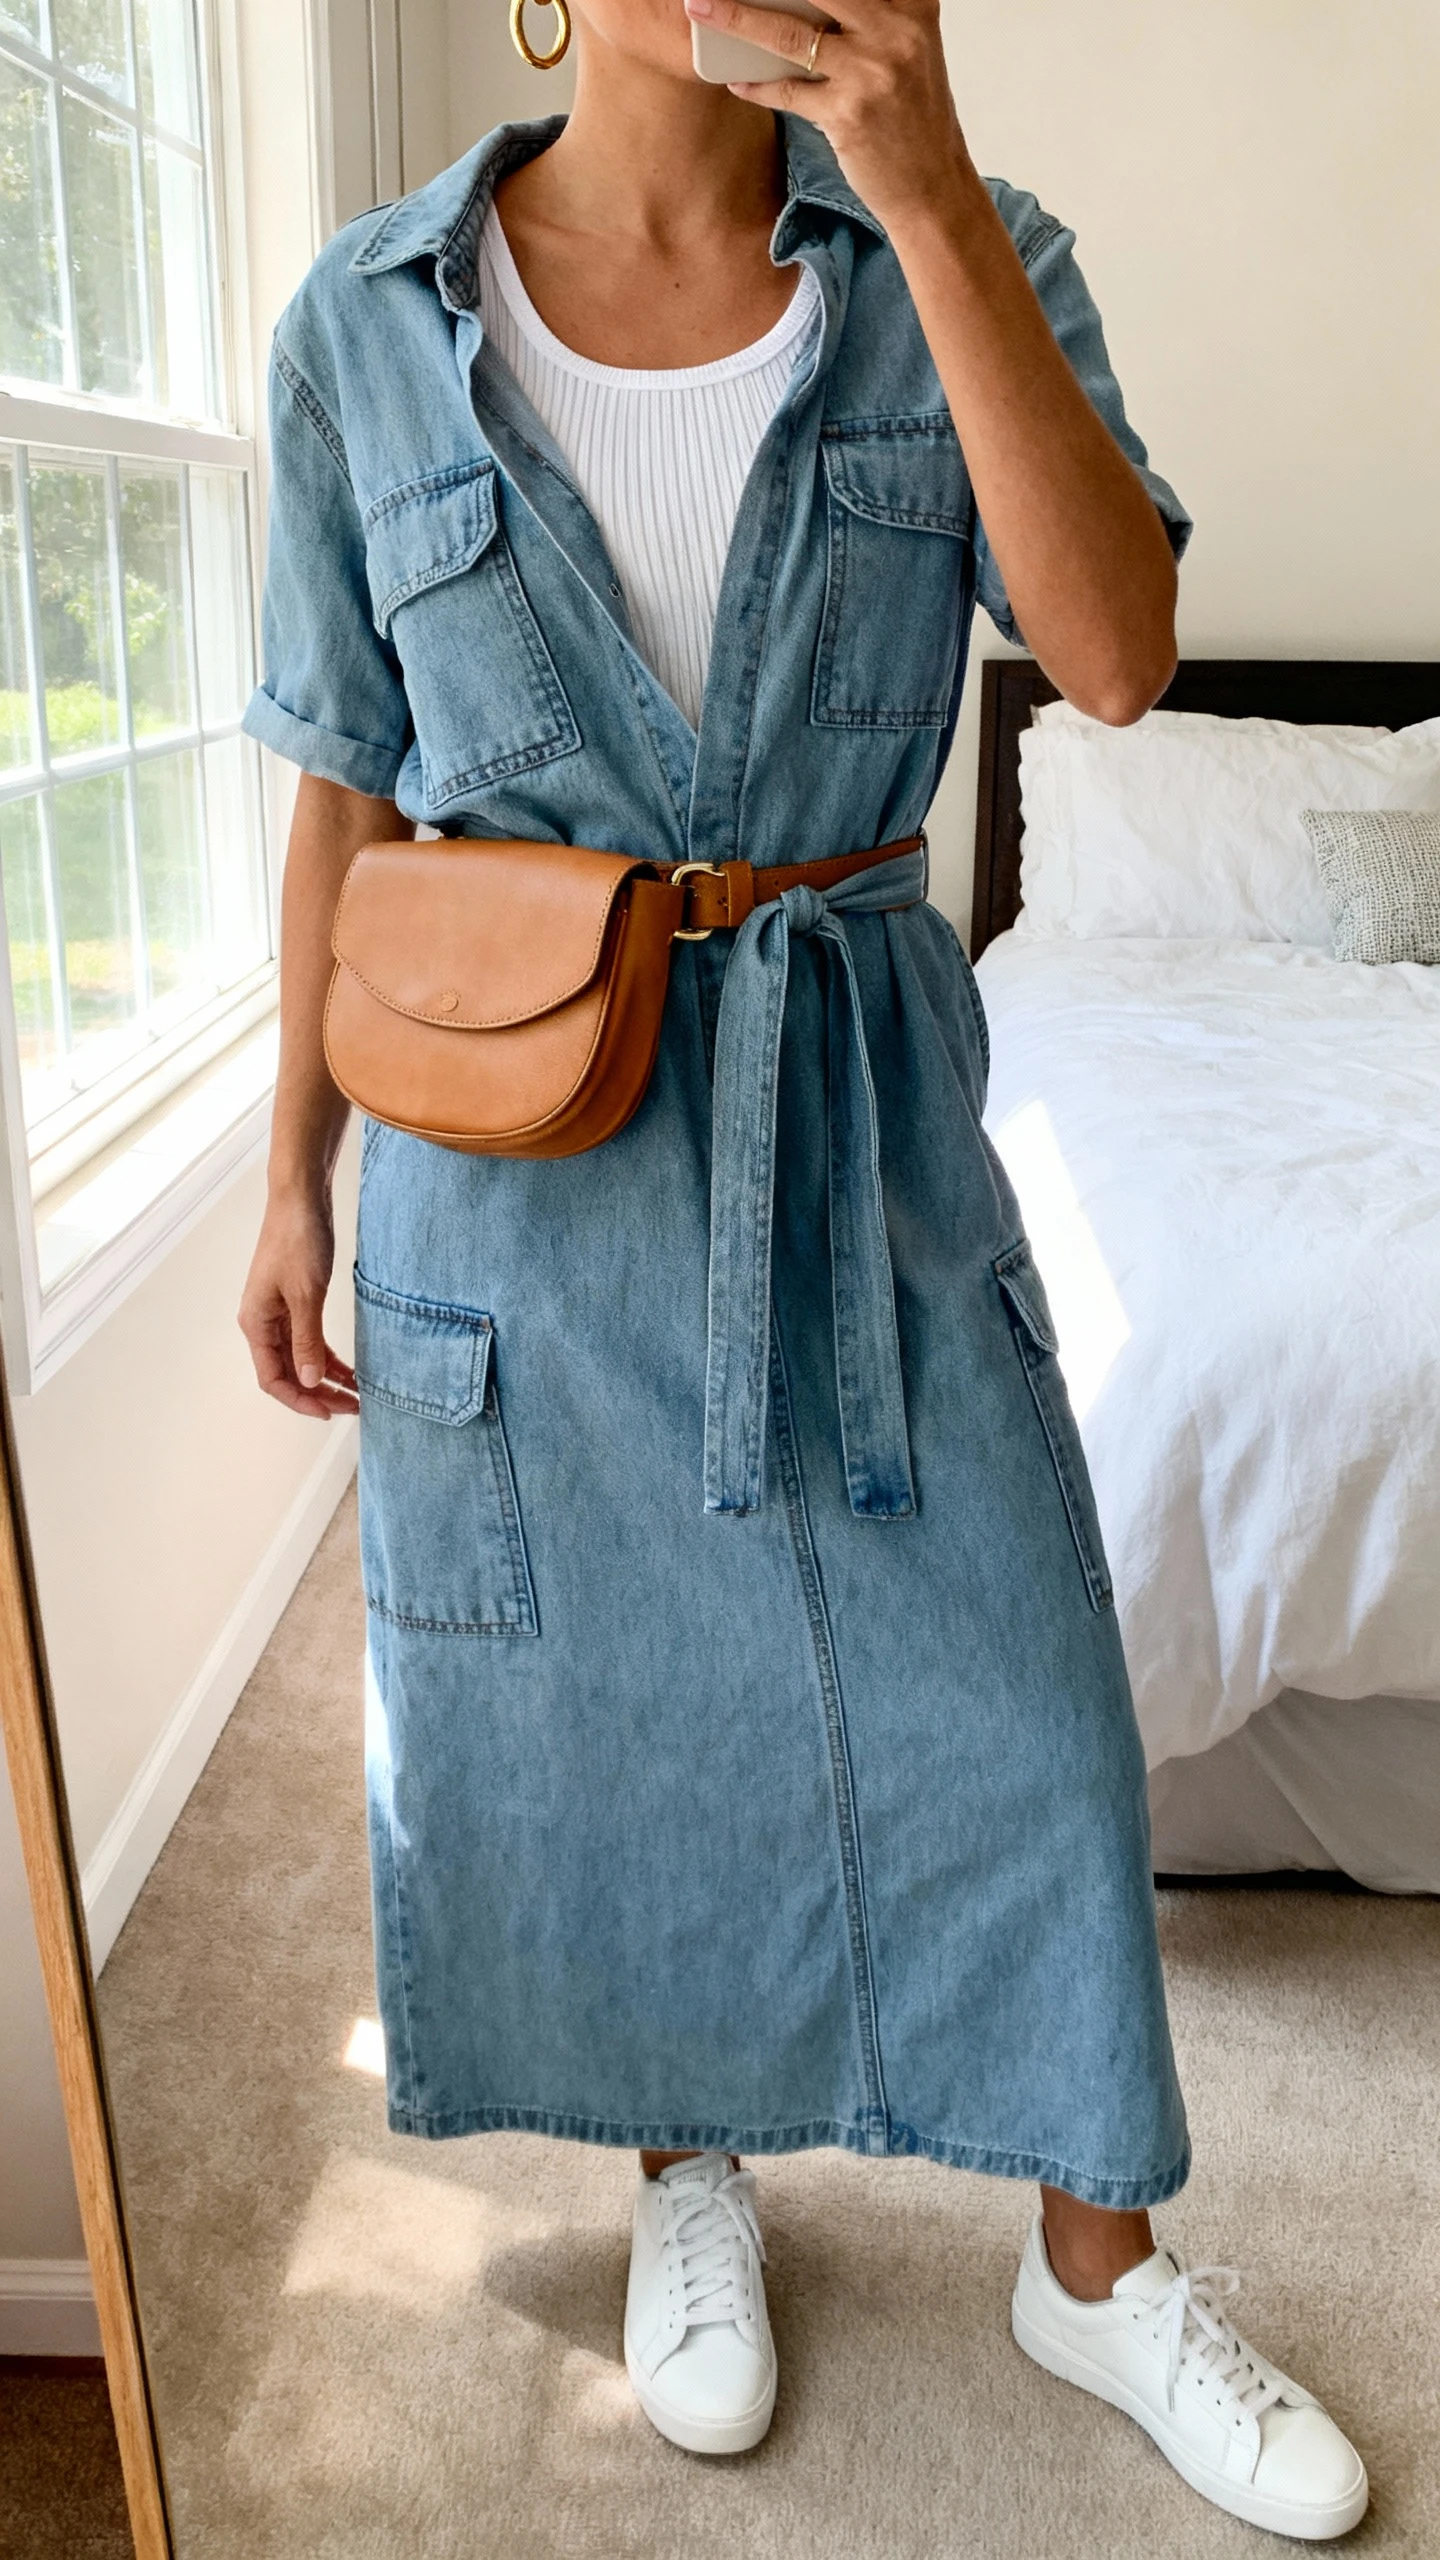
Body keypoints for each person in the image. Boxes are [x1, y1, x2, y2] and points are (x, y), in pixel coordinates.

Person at [238, 0, 1368, 2533]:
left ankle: (1093, 2262)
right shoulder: (365, 325)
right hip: (516, 1156)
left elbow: (1113, 659)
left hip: (855, 1125)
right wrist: (287, 1179)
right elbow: (339, 782)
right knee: (615, 1704)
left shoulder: (964, 259)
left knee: (1029, 1687)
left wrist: (937, 183)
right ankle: (689, 2168)